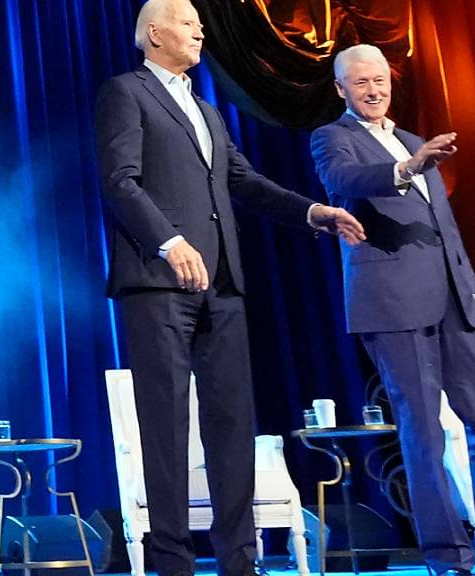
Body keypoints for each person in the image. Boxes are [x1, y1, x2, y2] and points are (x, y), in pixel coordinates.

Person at [94, 2, 365, 575]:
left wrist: (313, 212)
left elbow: (243, 181)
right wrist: (168, 241)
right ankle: (172, 563)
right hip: (158, 283)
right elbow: (120, 181)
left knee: (233, 422)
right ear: (153, 33)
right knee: (166, 424)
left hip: (223, 283)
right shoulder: (126, 91)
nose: (199, 29)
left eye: (199, 20)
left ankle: (239, 562)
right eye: (187, 20)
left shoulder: (206, 110)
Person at [310, 44, 475, 576]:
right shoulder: (333, 139)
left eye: (381, 80)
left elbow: (445, 231)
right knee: (423, 431)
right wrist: (407, 167)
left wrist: (471, 291)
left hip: (457, 303)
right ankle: (446, 558)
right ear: (341, 88)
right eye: (361, 82)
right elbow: (345, 182)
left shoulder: (412, 140)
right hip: (394, 305)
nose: (374, 90)